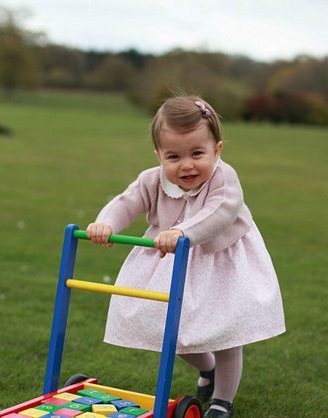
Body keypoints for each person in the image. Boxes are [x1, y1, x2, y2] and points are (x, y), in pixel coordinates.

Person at [86, 95, 286, 418]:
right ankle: (207, 368)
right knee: (170, 329)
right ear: (159, 155)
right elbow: (127, 201)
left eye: (197, 153)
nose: (187, 165)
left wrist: (183, 232)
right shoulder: (153, 180)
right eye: (174, 156)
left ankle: (222, 400)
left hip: (221, 261)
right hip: (173, 261)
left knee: (225, 332)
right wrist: (106, 223)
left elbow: (220, 212)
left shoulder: (224, 178)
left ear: (216, 150)